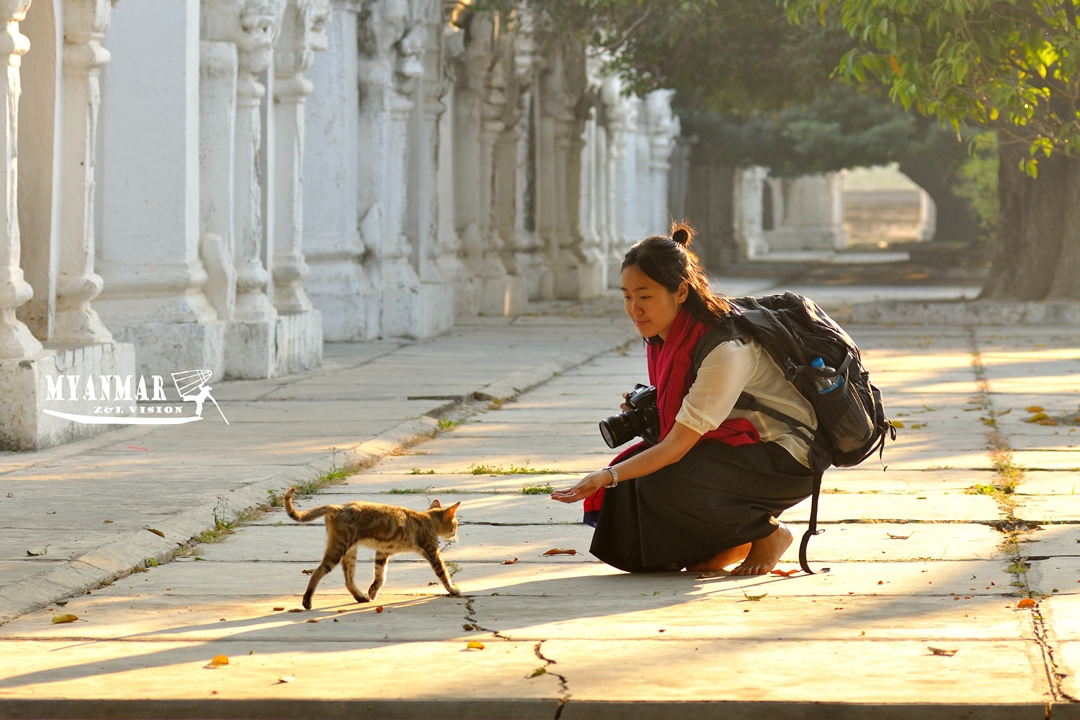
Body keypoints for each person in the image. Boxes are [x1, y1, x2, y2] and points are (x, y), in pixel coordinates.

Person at [551, 223, 816, 576]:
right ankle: (727, 544)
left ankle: (767, 534)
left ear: (680, 292)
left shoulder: (724, 348)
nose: (634, 309)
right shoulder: (666, 337)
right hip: (741, 448)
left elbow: (674, 447)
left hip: (788, 457)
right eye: (627, 296)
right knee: (633, 493)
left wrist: (606, 475)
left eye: (645, 296)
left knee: (665, 481)